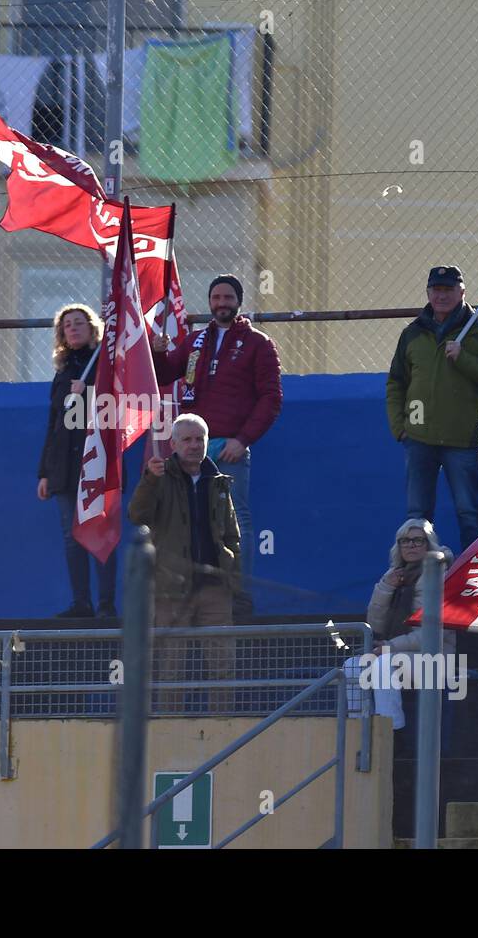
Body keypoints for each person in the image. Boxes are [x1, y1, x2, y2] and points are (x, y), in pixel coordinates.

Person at [150, 274, 281, 618]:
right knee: (188, 520)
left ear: (238, 301)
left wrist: (242, 440)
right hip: (192, 448)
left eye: (227, 297)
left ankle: (239, 594)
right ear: (209, 302)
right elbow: (164, 375)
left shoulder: (258, 343)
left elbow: (271, 399)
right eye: (216, 297)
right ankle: (191, 593)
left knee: (236, 522)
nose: (221, 303)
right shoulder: (194, 342)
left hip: (229, 450)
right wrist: (157, 353)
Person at [386, 265, 478, 554]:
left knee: (469, 514)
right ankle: (417, 586)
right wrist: (400, 428)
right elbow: (396, 382)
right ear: (428, 292)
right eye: (436, 290)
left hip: (462, 441)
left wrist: (464, 358)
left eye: (448, 289)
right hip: (418, 440)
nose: (441, 296)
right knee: (416, 519)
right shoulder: (412, 333)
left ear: (462, 292)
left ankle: (471, 582)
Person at [129, 413, 241, 713]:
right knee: (171, 670)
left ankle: (223, 728)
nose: (194, 445)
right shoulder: (159, 475)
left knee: (223, 668)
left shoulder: (218, 481)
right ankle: (169, 729)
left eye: (199, 439)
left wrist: (231, 577)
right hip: (170, 591)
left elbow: (232, 534)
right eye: (187, 439)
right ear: (173, 443)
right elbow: (137, 515)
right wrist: (150, 480)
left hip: (214, 589)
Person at [37, 304, 117, 618]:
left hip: (94, 459)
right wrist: (44, 472)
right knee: (72, 536)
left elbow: (111, 409)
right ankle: (81, 603)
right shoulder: (63, 371)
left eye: (79, 322)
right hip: (63, 467)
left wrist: (87, 393)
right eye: (67, 324)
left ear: (91, 327)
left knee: (99, 531)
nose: (73, 328)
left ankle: (106, 605)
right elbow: (54, 423)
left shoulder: (103, 366)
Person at [344, 518, 455, 730]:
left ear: (429, 544)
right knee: (352, 666)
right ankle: (359, 731)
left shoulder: (442, 577)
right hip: (397, 651)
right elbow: (375, 623)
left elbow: (435, 633)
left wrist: (390, 647)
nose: (411, 545)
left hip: (436, 657)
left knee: (384, 664)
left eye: (417, 541)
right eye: (405, 541)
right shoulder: (394, 575)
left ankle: (391, 733)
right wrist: (387, 588)